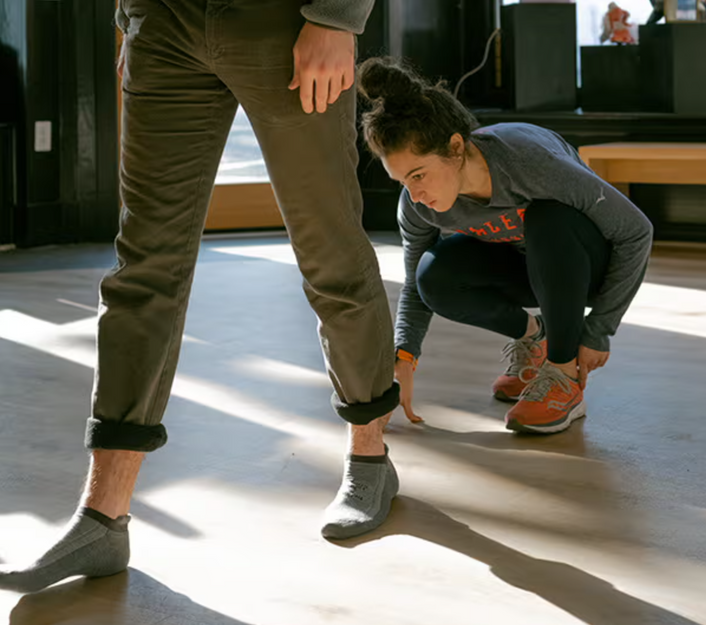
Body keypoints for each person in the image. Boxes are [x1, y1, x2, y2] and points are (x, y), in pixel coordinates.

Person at [0, 0, 400, 595]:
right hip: (165, 23)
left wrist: (337, 15)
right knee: (144, 266)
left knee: (328, 247)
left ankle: (370, 458)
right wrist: (131, 14)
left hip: (286, 20)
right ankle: (103, 516)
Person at [357, 58, 653, 435]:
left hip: (584, 266)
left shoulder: (529, 163)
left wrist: (599, 329)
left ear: (455, 147)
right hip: (528, 268)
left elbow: (635, 231)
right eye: (401, 181)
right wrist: (403, 356)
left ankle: (564, 378)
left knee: (547, 219)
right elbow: (417, 287)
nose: (414, 194)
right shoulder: (417, 206)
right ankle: (537, 338)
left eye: (418, 175)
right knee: (433, 273)